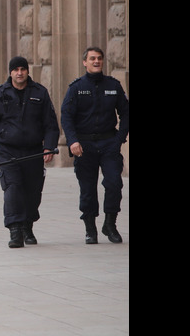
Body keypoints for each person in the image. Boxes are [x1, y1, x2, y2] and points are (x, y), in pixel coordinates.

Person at [0, 56, 59, 248]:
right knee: (13, 189)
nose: (20, 73)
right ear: (10, 72)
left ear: (27, 71)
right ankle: (15, 230)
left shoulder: (40, 93)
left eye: (23, 69)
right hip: (9, 151)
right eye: (16, 69)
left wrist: (48, 147)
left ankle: (28, 225)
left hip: (34, 152)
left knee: (33, 192)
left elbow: (51, 124)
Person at [60, 47, 130, 244]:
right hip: (84, 145)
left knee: (114, 183)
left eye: (99, 58)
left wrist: (120, 139)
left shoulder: (113, 86)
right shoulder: (76, 87)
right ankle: (90, 228)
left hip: (109, 143)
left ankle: (110, 224)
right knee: (88, 188)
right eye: (92, 59)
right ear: (85, 62)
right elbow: (66, 116)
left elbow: (125, 113)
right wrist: (72, 140)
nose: (96, 61)